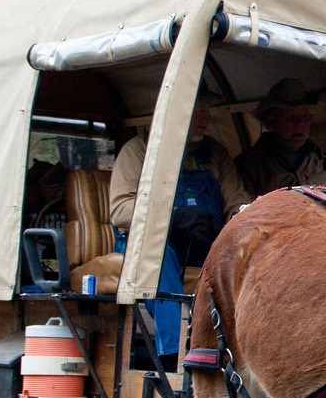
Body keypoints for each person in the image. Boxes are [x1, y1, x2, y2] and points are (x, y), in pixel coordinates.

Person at [107, 101, 250, 371]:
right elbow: (120, 210)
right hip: (147, 243)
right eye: (197, 107)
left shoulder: (215, 153)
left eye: (206, 108)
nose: (206, 114)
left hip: (201, 239)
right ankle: (177, 353)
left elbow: (236, 203)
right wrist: (173, 217)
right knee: (159, 255)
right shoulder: (138, 151)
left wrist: (235, 226)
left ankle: (246, 348)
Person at [234, 77, 326, 199]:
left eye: (305, 117)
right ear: (271, 121)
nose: (300, 124)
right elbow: (242, 215)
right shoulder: (249, 167)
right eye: (291, 117)